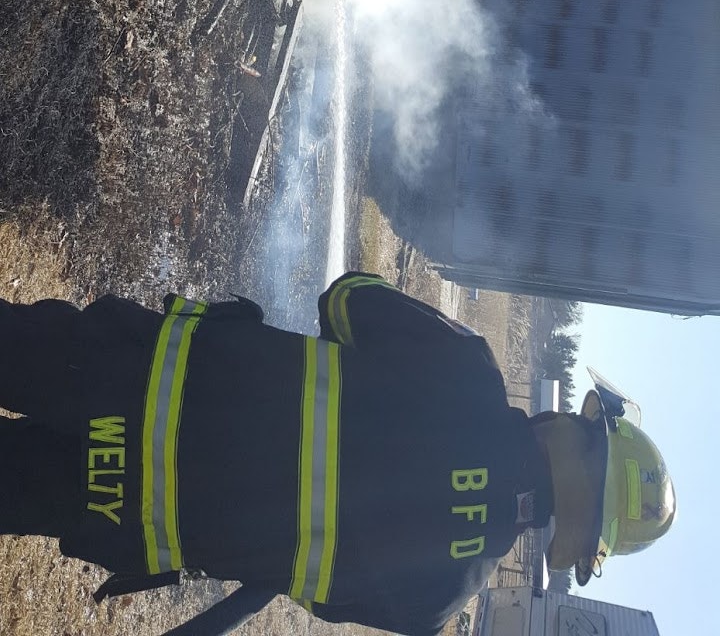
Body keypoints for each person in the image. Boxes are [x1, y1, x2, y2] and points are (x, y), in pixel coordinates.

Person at [0, 273, 675, 636]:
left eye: (584, 425)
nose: (565, 414)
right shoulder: (440, 600)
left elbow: (346, 299)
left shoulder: (471, 373)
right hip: (128, 505)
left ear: (581, 454)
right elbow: (318, 597)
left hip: (139, 378)